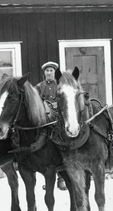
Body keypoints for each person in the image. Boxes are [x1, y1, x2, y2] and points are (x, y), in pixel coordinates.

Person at [35, 61, 67, 191]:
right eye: (47, 71)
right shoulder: (39, 86)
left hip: (58, 118)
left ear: (55, 72)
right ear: (44, 73)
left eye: (51, 71)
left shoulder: (60, 85)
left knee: (61, 142)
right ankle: (48, 179)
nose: (49, 73)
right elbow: (35, 102)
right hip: (44, 119)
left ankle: (62, 178)